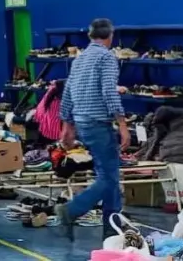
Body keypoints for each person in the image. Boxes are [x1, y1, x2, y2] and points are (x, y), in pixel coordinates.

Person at [54, 18, 130, 241]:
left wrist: (67, 125)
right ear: (110, 36)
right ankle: (71, 210)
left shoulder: (80, 59)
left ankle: (112, 229)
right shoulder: (107, 58)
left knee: (109, 176)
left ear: (90, 36)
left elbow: (67, 92)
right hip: (98, 124)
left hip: (82, 122)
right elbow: (109, 92)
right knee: (108, 179)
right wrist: (123, 125)